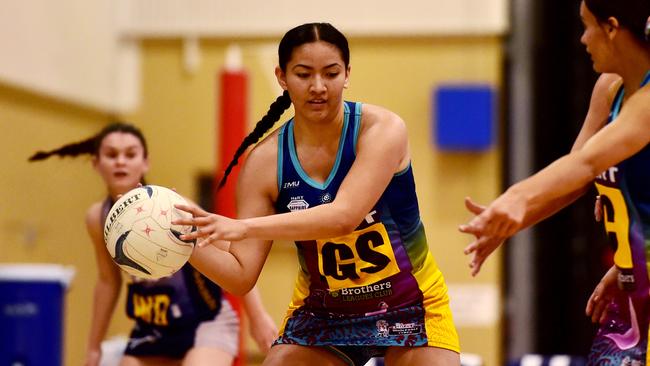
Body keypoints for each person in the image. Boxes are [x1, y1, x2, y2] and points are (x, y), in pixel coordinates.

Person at [174, 23, 460, 366]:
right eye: (303, 74)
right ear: (282, 77)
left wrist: (246, 227)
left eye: (331, 73)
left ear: (347, 74)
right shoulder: (264, 162)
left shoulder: (383, 129)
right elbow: (240, 276)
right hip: (324, 313)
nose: (318, 87)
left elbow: (343, 217)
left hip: (410, 303)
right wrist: (182, 241)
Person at [459, 0, 650, 364]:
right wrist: (509, 223)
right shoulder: (609, 89)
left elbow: (588, 161)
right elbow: (576, 177)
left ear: (611, 28)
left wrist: (517, 198)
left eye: (587, 25)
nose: (582, 38)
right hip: (631, 299)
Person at [29, 122, 277, 366]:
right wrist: (93, 347)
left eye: (130, 154)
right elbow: (108, 281)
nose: (120, 161)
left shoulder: (172, 205)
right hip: (153, 325)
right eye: (112, 154)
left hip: (205, 319)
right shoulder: (98, 217)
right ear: (96, 163)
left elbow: (231, 253)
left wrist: (258, 317)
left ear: (145, 162)